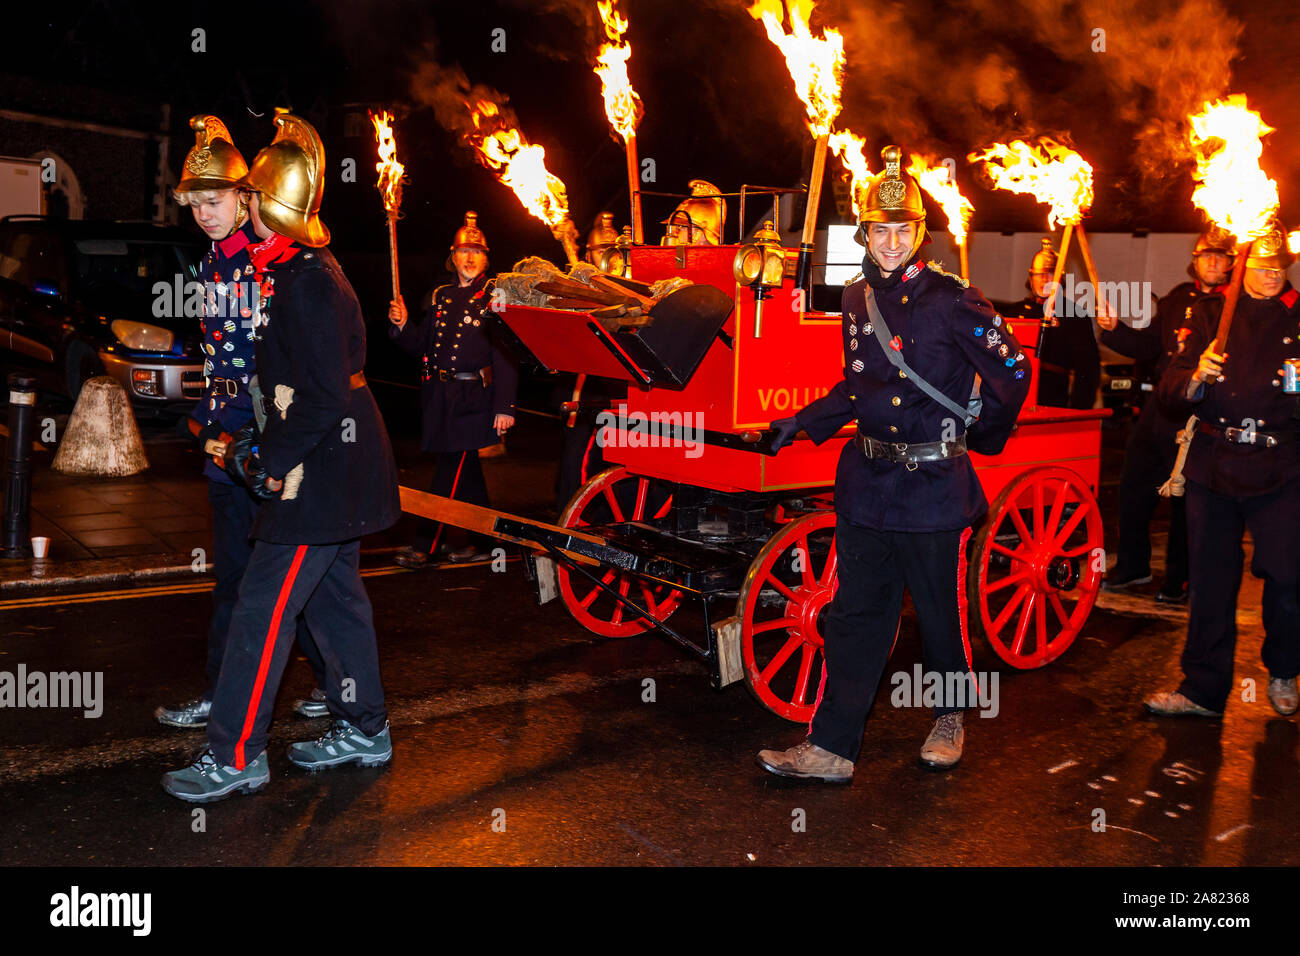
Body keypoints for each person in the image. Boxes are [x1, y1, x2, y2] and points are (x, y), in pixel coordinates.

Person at [756, 146, 1032, 782]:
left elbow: (1013, 373)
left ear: (918, 234)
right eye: (879, 230)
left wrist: (980, 437)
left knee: (940, 612)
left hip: (934, 485)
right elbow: (856, 389)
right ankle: (830, 747)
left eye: (901, 230)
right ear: (865, 233)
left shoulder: (954, 299)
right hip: (867, 484)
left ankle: (950, 718)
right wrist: (801, 424)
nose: (889, 241)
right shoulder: (856, 298)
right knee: (856, 616)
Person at [162, 110, 401, 802]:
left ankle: (235, 756)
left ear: (272, 208)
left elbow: (323, 398)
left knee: (261, 612)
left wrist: (270, 461)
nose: (245, 209)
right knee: (336, 606)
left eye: (255, 199)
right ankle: (366, 726)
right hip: (329, 464)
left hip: (320, 472)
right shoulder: (286, 268)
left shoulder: (309, 280)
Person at [155, 114, 329, 731]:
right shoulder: (208, 266)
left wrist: (268, 442)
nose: (205, 211)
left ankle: (337, 686)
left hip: (266, 442)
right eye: (195, 202)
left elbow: (291, 363)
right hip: (223, 439)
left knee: (291, 582)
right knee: (235, 579)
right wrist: (206, 425)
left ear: (244, 197)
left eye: (217, 198)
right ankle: (223, 691)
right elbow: (216, 353)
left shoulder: (269, 266)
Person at [1144, 222, 1300, 719]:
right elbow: (1168, 388)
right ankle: (1202, 689)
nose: (1272, 276)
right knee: (1210, 578)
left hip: (1281, 464)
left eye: (1280, 270)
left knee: (1287, 574)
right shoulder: (1211, 314)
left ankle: (1284, 668)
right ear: (1245, 264)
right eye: (1263, 267)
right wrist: (1195, 379)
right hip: (1215, 463)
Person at [1098, 230, 1233, 600]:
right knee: (1134, 489)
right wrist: (1115, 331)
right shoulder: (1178, 298)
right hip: (1159, 408)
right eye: (1207, 255)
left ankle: (1180, 580)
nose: (1213, 262)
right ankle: (1133, 566)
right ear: (1195, 257)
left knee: (1185, 500)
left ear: (1231, 263)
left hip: (1198, 413)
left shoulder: (1235, 304)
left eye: (1221, 256)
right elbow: (1148, 346)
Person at [388, 212, 517, 568]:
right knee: (467, 475)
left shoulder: (497, 294)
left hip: (471, 399)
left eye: (477, 251)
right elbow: (420, 346)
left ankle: (426, 545)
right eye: (464, 251)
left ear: (486, 258)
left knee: (448, 474)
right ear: (453, 255)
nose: (470, 258)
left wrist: (505, 405)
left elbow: (505, 353)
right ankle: (487, 542)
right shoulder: (441, 295)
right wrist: (402, 325)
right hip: (438, 397)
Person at [997, 238, 1100, 408]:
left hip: (1053, 400)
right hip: (1015, 398)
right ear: (1031, 277)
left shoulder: (1075, 315)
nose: (1044, 278)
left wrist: (1076, 412)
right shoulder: (1014, 312)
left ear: (1060, 277)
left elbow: (1088, 371)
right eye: (1039, 274)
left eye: (1051, 273)